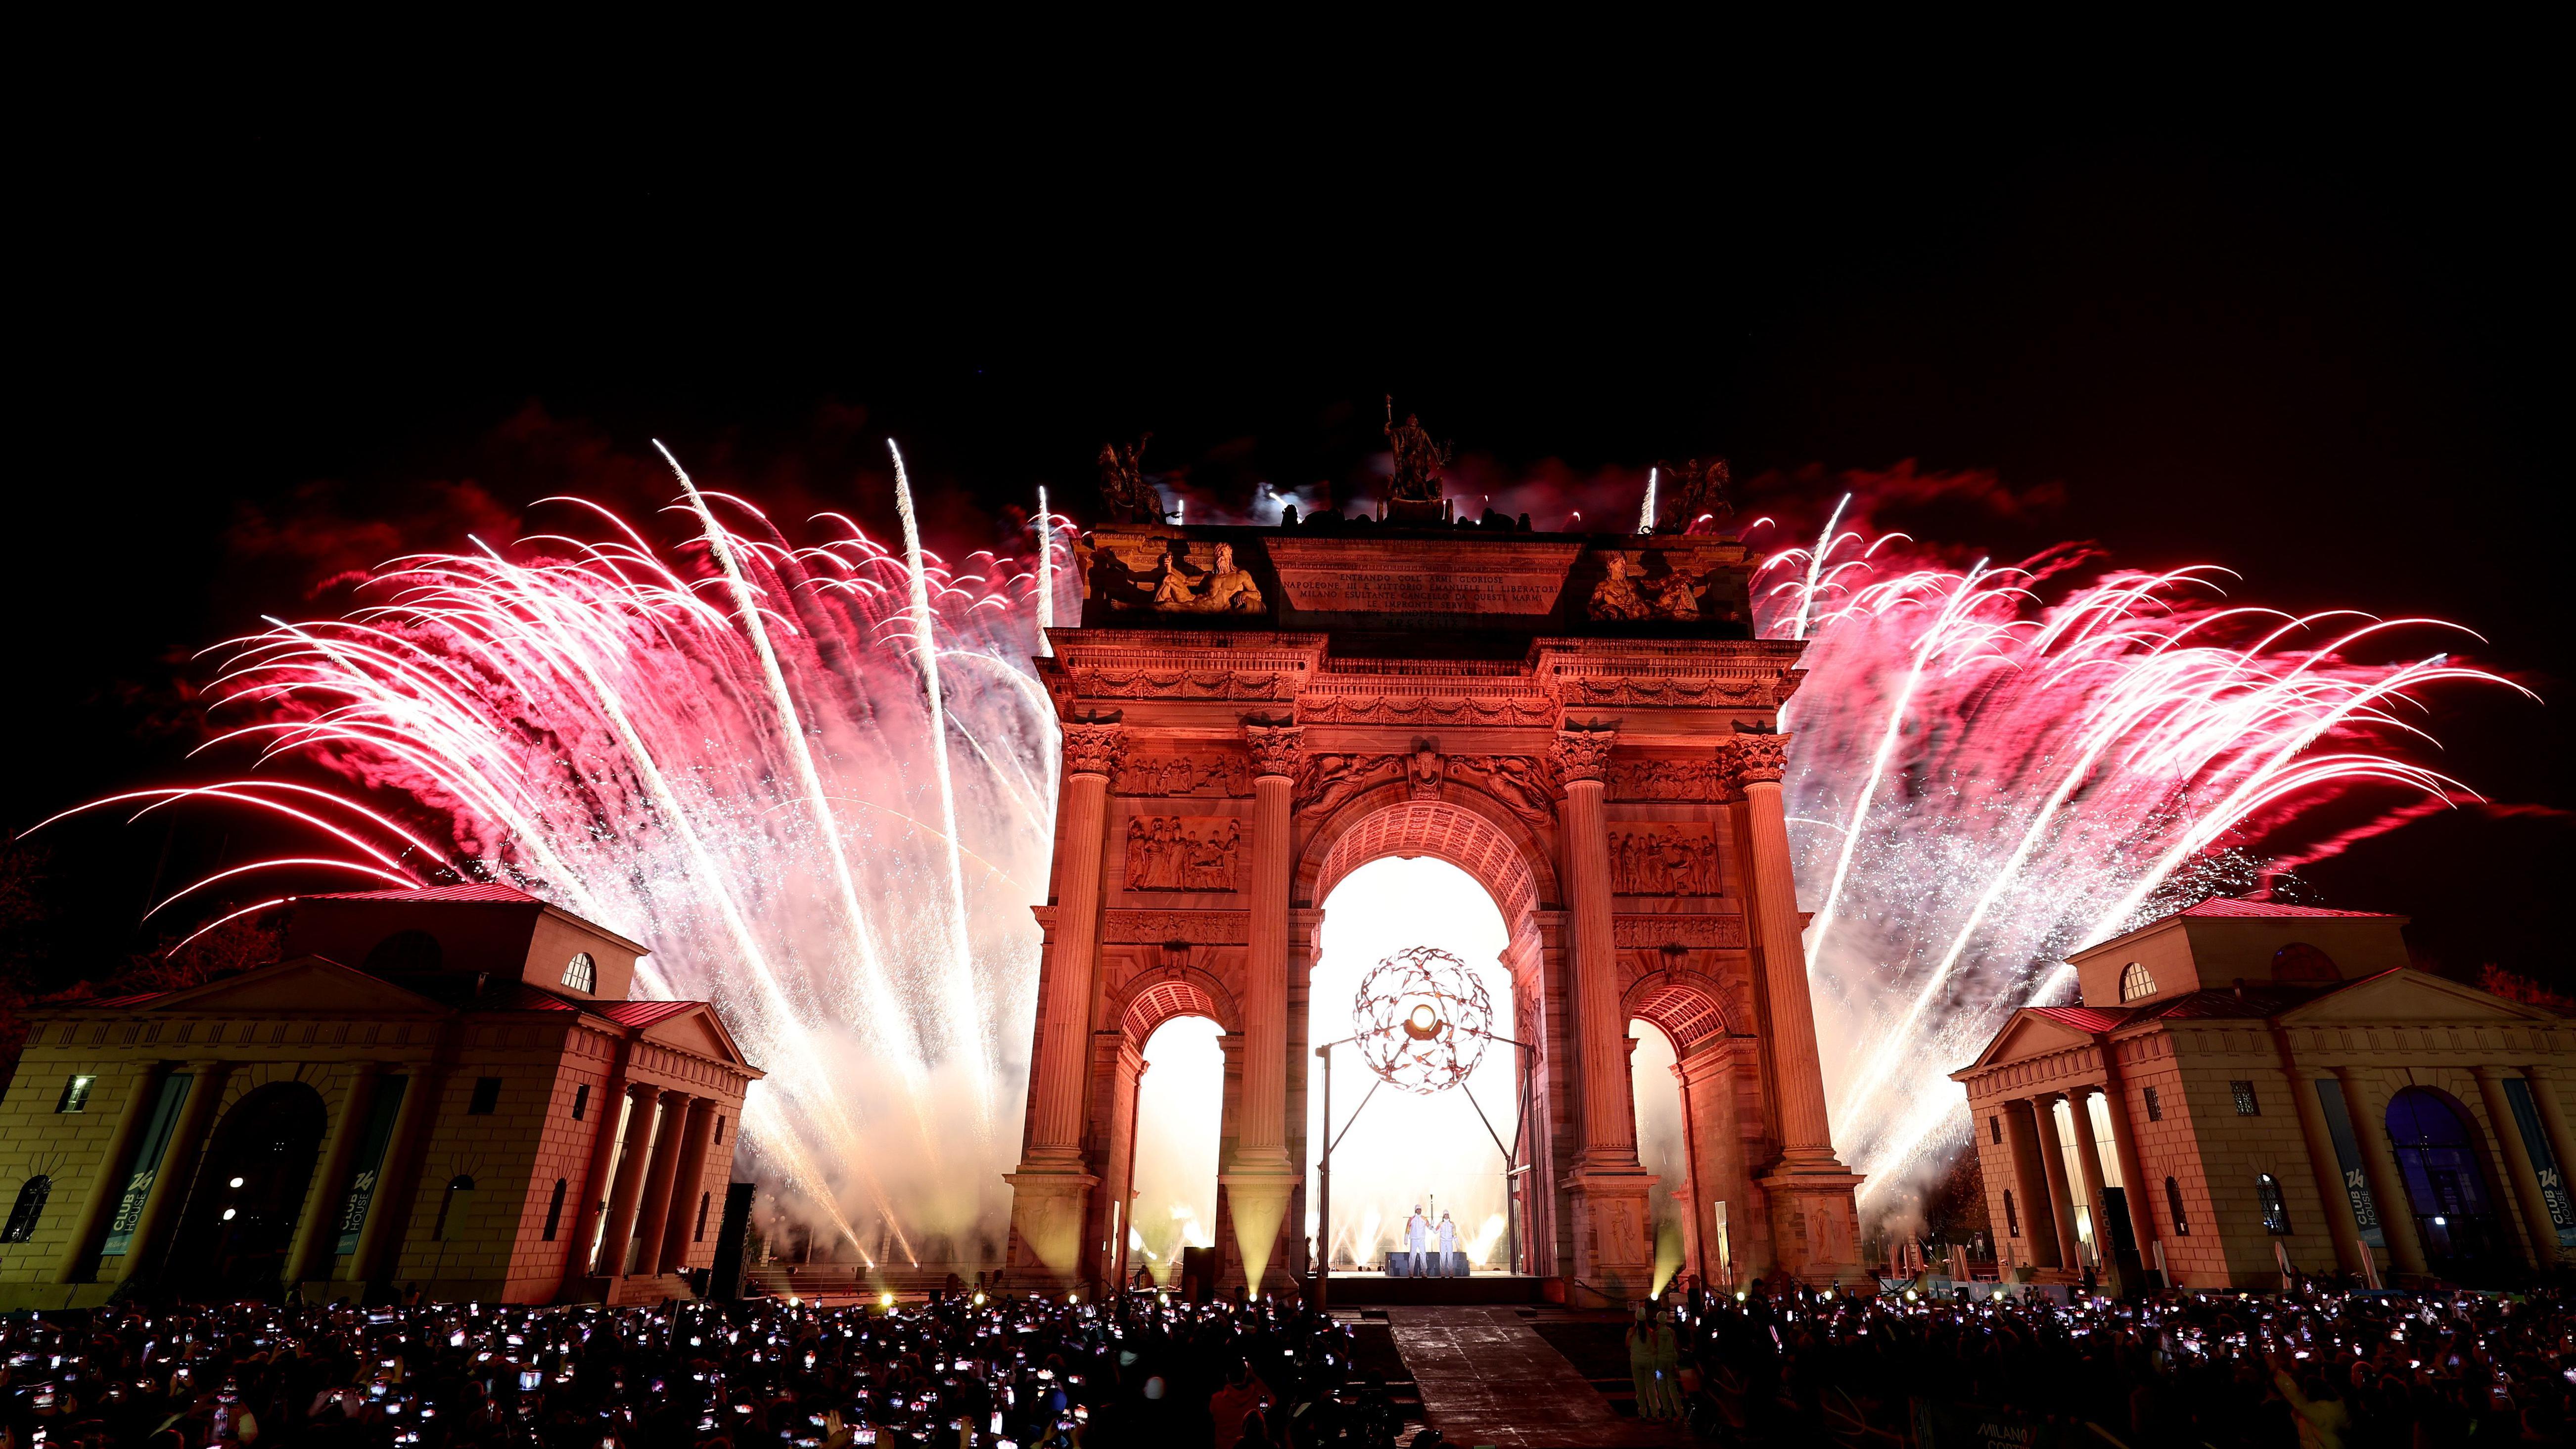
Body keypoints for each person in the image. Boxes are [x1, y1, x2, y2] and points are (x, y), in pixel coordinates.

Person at [1405, 1206, 1429, 1276]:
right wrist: (1406, 1239)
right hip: (1414, 1239)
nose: (1419, 1211)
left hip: (1421, 1239)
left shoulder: (1424, 1219)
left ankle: (1424, 1271)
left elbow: (1429, 1226)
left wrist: (1432, 1226)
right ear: (1415, 1210)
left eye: (1420, 1209)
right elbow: (1408, 1229)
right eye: (1418, 1209)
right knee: (1413, 1255)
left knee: (1423, 1254)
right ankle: (1411, 1272)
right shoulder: (1411, 1219)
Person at [1435, 1212, 1458, 1277]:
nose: (1447, 1216)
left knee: (1450, 1256)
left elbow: (1454, 1233)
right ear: (1444, 1216)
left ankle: (1451, 1273)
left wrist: (1457, 1243)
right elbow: (1436, 1231)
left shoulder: (1452, 1224)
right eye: (1445, 1214)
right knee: (1443, 1256)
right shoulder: (1441, 1224)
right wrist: (1432, 1227)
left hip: (1449, 1242)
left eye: (1448, 1214)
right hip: (1443, 1242)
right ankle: (1443, 1273)